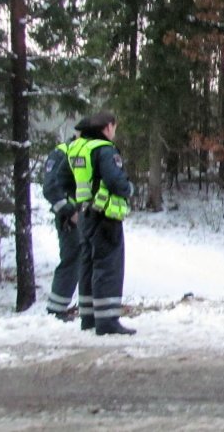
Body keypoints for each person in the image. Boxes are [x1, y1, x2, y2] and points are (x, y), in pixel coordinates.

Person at [69, 112, 136, 336]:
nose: (114, 131)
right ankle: (107, 321)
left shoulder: (77, 149)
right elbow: (115, 180)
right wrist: (129, 189)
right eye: (114, 127)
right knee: (108, 266)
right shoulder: (105, 149)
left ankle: (89, 317)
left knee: (88, 265)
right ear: (107, 127)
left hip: (86, 215)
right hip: (106, 216)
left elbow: (65, 180)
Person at [41, 120, 87, 321]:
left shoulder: (81, 154)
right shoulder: (62, 153)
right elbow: (51, 188)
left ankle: (69, 307)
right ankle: (56, 310)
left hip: (82, 215)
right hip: (69, 217)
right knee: (72, 258)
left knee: (82, 259)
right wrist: (69, 212)